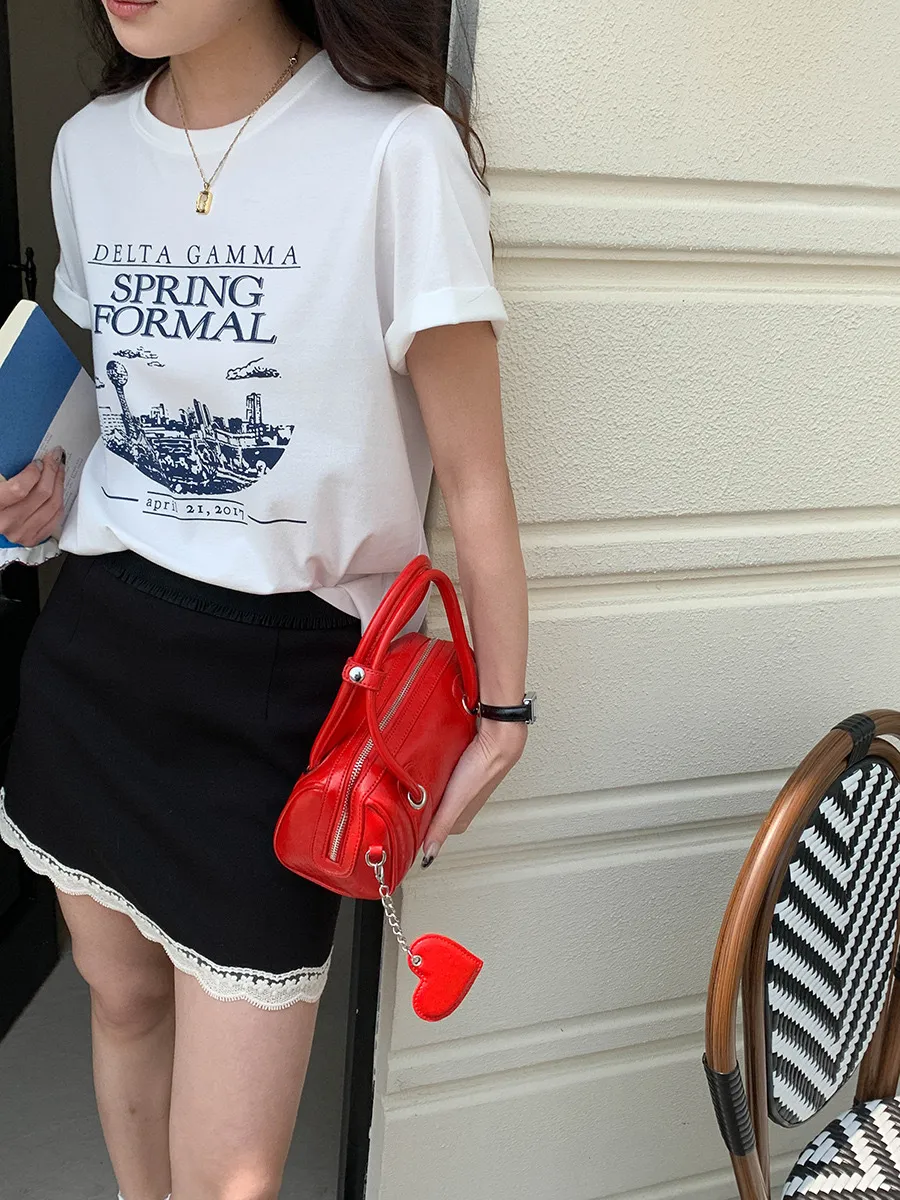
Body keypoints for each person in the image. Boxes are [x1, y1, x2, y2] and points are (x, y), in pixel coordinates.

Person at [0, 1, 531, 1198]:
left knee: (231, 1174)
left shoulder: (396, 151)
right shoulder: (90, 147)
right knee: (121, 1001)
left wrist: (503, 711)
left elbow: (477, 481)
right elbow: (123, 403)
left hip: (285, 692)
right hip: (96, 650)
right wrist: (44, 485)